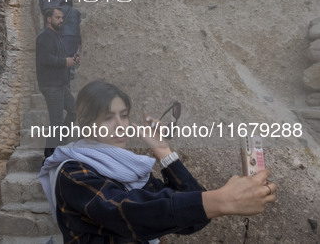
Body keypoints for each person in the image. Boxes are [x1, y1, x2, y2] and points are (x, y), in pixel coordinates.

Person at [39, 80, 278, 243]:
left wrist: (163, 150)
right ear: (86, 123)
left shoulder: (130, 168)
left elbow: (190, 222)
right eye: (107, 118)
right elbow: (129, 213)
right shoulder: (72, 171)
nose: (120, 124)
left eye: (123, 115)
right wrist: (221, 200)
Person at [36, 7, 79, 157]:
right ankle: (49, 158)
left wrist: (71, 60)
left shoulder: (55, 35)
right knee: (56, 123)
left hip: (60, 84)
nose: (61, 20)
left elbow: (58, 57)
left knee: (74, 110)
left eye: (62, 18)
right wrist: (63, 62)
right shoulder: (44, 36)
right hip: (51, 85)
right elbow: (45, 59)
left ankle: (61, 143)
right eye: (57, 17)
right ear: (49, 19)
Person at [59, 0, 81, 79]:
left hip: (63, 35)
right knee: (72, 54)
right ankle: (71, 70)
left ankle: (64, 72)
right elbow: (80, 25)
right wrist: (80, 41)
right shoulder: (76, 11)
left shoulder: (58, 10)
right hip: (75, 36)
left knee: (63, 54)